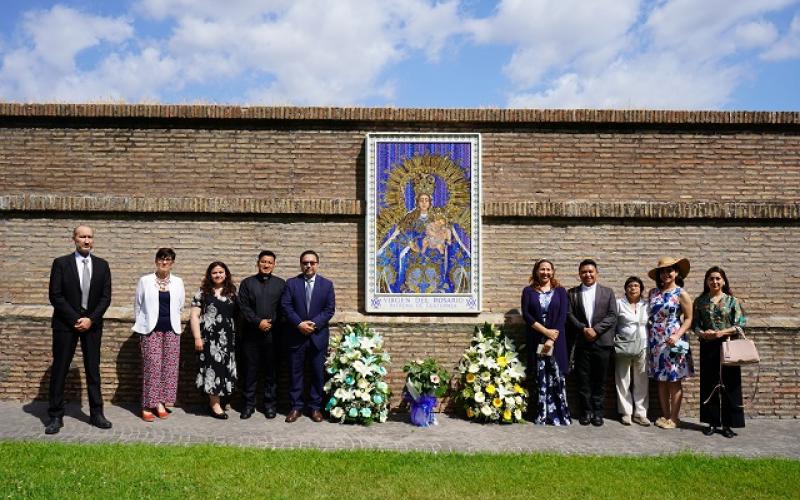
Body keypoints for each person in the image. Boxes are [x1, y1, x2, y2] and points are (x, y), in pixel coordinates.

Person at [45, 225, 113, 434]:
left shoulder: (102, 265)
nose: (86, 240)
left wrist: (90, 319)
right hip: (65, 325)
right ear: (74, 239)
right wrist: (76, 319)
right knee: (60, 369)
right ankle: (55, 415)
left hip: (92, 326)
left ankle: (97, 413)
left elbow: (106, 297)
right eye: (82, 236)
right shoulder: (61, 263)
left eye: (90, 237)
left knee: (93, 370)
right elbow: (55, 295)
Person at [376, 174, 470, 294]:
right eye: (421, 200)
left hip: (435, 254)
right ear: (417, 202)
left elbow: (448, 237)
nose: (424, 203)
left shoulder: (437, 218)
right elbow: (402, 236)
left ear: (430, 202)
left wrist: (446, 241)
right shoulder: (410, 218)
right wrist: (410, 244)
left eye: (426, 200)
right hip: (415, 253)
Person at [280, 250, 336, 423]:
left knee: (317, 374)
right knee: (295, 373)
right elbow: (286, 306)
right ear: (301, 264)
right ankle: (296, 407)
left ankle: (315, 408)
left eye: (312, 262)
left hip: (318, 336)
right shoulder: (291, 283)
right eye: (305, 263)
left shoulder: (327, 285)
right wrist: (299, 324)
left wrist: (313, 324)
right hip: (296, 336)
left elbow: (329, 309)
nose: (308, 265)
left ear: (317, 264)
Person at [132, 248, 185, 422]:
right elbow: (138, 305)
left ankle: (160, 403)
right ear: (156, 261)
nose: (164, 262)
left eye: (168, 259)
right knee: (152, 367)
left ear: (172, 263)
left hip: (172, 330)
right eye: (161, 259)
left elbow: (180, 306)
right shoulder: (145, 281)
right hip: (150, 331)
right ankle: (147, 405)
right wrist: (141, 327)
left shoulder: (178, 282)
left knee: (169, 368)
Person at [694, 266, 747, 438]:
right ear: (706, 281)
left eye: (718, 278)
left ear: (724, 281)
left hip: (728, 345)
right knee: (709, 384)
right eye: (711, 278)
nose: (714, 281)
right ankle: (711, 422)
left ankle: (728, 425)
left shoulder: (732, 301)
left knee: (730, 384)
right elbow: (695, 325)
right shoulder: (700, 301)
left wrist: (721, 332)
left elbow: (740, 324)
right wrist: (703, 333)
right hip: (708, 345)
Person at [567, 259, 617, 426]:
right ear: (579, 274)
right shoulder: (572, 293)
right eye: (584, 272)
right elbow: (569, 314)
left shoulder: (608, 292)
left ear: (596, 273)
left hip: (602, 342)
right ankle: (586, 412)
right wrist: (583, 329)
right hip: (581, 343)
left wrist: (596, 329)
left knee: (600, 380)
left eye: (590, 271)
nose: (587, 274)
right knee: (583, 380)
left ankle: (598, 413)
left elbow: (612, 315)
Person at [520, 259, 571, 425]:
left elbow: (563, 316)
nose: (545, 272)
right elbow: (527, 315)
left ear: (553, 272)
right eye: (542, 269)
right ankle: (542, 414)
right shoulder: (528, 291)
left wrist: (551, 339)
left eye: (548, 269)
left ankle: (560, 415)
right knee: (540, 375)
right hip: (537, 339)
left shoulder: (560, 291)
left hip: (556, 341)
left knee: (557, 375)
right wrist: (545, 332)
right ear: (536, 271)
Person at [647, 257, 694, 430]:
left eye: (669, 270)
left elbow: (689, 319)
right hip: (656, 341)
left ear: (676, 273)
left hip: (674, 341)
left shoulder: (681, 293)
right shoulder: (653, 293)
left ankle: (674, 418)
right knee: (660, 380)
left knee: (674, 380)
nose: (666, 274)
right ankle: (665, 415)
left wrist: (677, 335)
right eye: (662, 271)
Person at [238, 250, 286, 419]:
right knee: (249, 371)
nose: (266, 265)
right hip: (251, 335)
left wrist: (271, 322)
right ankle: (248, 405)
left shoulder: (281, 284)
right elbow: (243, 307)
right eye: (263, 261)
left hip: (273, 335)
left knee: (271, 372)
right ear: (258, 263)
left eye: (270, 262)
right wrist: (258, 322)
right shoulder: (247, 283)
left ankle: (270, 405)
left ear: (274, 265)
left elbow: (284, 307)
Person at [189, 261, 238, 419]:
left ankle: (219, 400)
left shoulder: (233, 292)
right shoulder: (202, 292)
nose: (218, 275)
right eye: (214, 272)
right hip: (209, 339)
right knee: (212, 369)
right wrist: (197, 337)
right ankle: (214, 404)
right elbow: (194, 316)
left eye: (221, 272)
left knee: (224, 369)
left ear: (226, 274)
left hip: (227, 339)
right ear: (209, 275)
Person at [613, 276, 650, 426]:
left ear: (641, 289)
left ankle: (640, 413)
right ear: (625, 289)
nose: (633, 288)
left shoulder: (646, 305)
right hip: (623, 345)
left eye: (636, 285)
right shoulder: (619, 304)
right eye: (629, 286)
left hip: (643, 345)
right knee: (623, 380)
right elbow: (613, 323)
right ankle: (626, 412)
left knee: (641, 380)